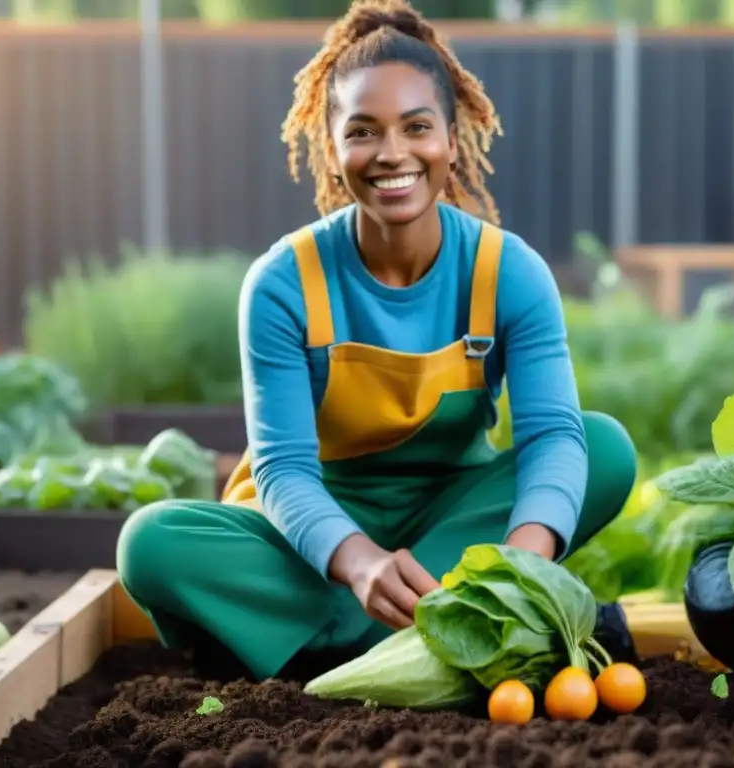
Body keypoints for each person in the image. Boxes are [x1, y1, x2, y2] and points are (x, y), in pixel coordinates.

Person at [116, 0, 638, 683]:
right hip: (316, 540)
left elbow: (554, 438)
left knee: (604, 448)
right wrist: (358, 561)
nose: (392, 153)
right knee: (150, 545)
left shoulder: (508, 273)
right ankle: (446, 630)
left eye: (416, 127)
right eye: (363, 132)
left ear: (453, 140)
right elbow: (283, 471)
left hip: (454, 520)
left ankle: (312, 643)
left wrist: (523, 561)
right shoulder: (283, 282)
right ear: (332, 152)